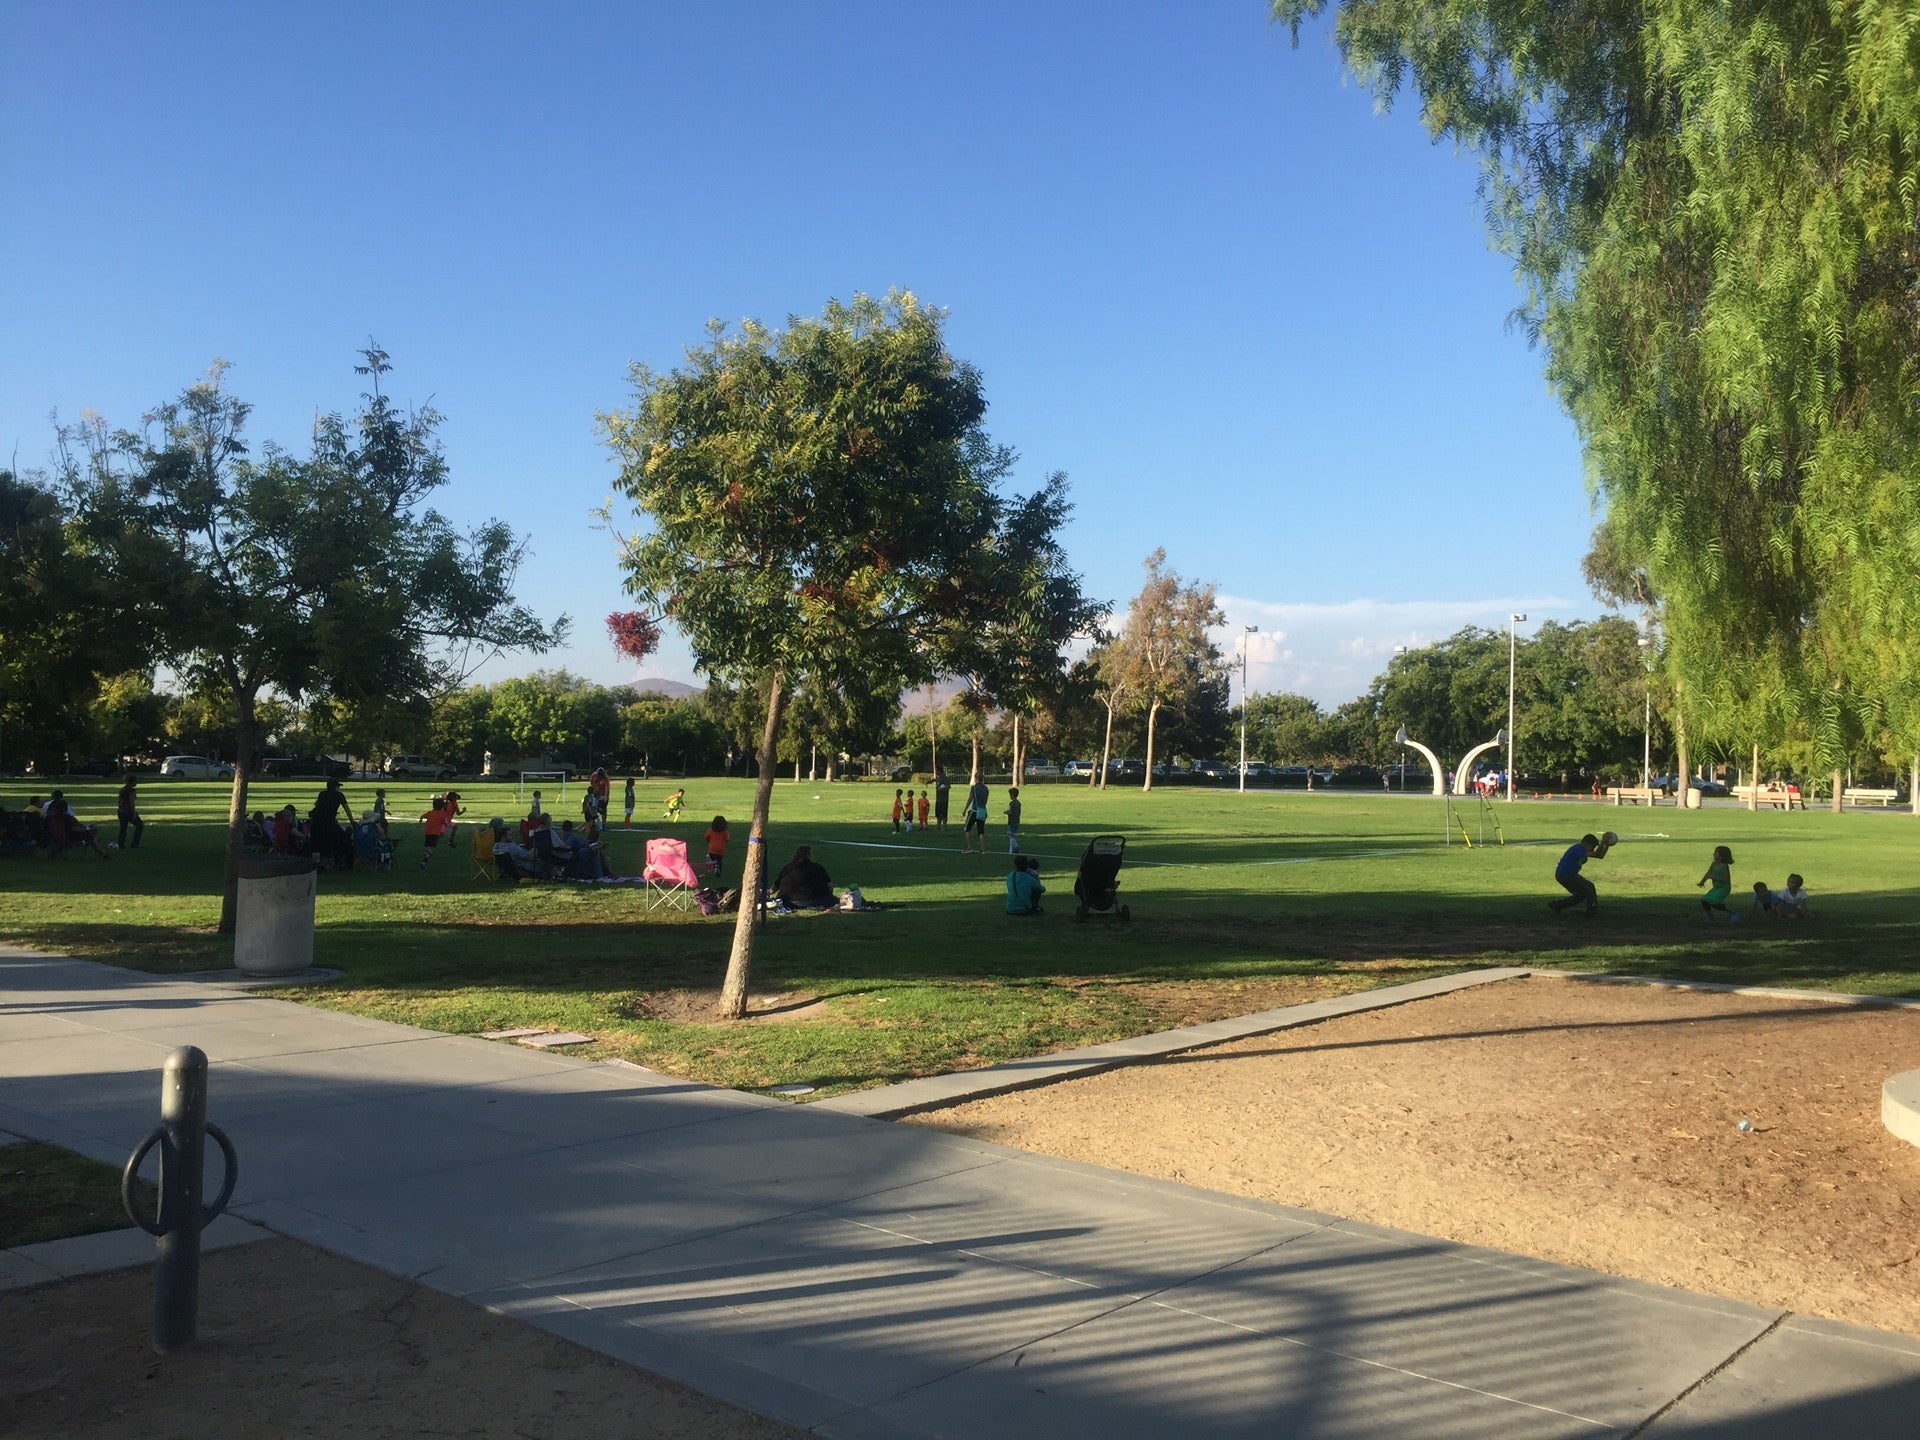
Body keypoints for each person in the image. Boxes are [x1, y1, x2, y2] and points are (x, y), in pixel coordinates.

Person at [1547, 831, 1613, 914]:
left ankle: (1557, 905)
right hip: (1566, 874)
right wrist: (1603, 842)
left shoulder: (1581, 849)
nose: (1592, 849)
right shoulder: (1578, 848)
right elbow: (1596, 854)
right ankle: (1591, 911)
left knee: (1580, 895)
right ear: (1585, 843)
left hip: (1566, 874)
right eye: (1592, 847)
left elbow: (1600, 856)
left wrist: (1607, 844)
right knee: (1589, 887)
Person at [309, 777, 354, 869]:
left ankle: (316, 865)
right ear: (335, 787)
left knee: (316, 843)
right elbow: (347, 810)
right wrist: (352, 822)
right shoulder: (339, 795)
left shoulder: (322, 794)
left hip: (316, 822)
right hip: (329, 823)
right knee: (335, 840)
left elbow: (319, 806)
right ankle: (332, 862)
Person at [773, 844, 835, 910]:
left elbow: (776, 886)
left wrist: (768, 892)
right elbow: (830, 886)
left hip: (788, 901)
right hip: (812, 901)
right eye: (811, 854)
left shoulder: (788, 868)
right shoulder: (817, 868)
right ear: (807, 856)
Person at [1697, 845, 1736, 923]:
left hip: (1724, 888)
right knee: (1704, 900)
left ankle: (1733, 914)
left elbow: (1725, 879)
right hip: (1716, 888)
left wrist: (1713, 877)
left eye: (1716, 853)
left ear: (1721, 856)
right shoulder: (1714, 863)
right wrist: (1702, 882)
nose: (1713, 854)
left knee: (1713, 902)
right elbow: (1708, 873)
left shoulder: (1724, 866)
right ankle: (1711, 917)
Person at [420, 797, 450, 869]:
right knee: (431, 848)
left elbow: (422, 816)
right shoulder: (442, 814)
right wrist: (447, 825)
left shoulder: (430, 813)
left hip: (427, 832)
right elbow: (445, 823)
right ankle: (424, 861)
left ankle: (424, 860)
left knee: (427, 847)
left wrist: (419, 824)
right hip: (435, 833)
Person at [115, 775, 143, 850]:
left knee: (123, 828)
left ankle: (121, 844)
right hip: (128, 811)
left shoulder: (122, 790)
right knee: (139, 825)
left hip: (121, 811)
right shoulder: (132, 791)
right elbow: (131, 802)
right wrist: (134, 812)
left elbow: (120, 801)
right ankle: (134, 843)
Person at [1004, 786, 1022, 855]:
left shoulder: (1011, 803)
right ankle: (1016, 847)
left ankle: (1011, 849)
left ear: (1011, 795)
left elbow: (1010, 812)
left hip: (1011, 821)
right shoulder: (1018, 803)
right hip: (1017, 821)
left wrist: (1006, 812)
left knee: (1010, 835)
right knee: (1012, 834)